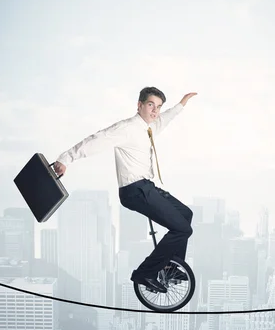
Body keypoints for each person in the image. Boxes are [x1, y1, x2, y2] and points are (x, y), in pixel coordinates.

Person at [53, 87, 198, 293]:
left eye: (158, 107)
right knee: (183, 229)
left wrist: (181, 104)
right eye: (150, 105)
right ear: (139, 105)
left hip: (146, 187)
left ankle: (169, 267)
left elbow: (165, 119)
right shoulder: (127, 128)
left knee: (186, 214)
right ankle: (145, 273)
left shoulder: (150, 128)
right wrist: (66, 158)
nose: (155, 111)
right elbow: (97, 139)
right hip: (134, 190)